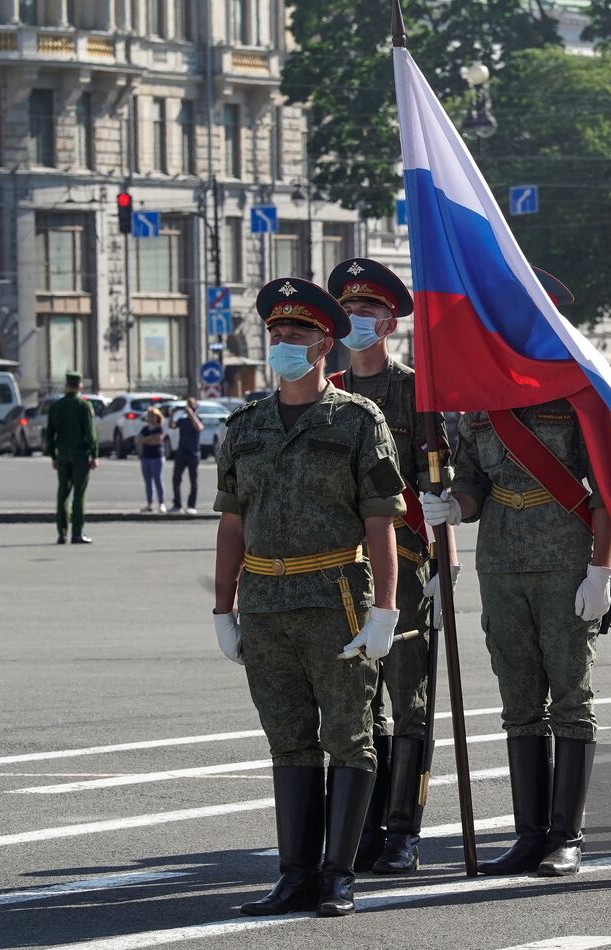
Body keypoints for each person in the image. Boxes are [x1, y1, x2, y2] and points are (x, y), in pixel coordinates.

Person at [213, 276, 404, 919]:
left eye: (298, 332)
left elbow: (381, 521)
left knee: (349, 736)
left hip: (336, 598)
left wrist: (385, 611)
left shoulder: (358, 420)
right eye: (277, 332)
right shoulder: (245, 424)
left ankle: (338, 876)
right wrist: (222, 608)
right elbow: (231, 523)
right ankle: (294, 874)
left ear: (326, 344)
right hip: (265, 602)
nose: (285, 342)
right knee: (288, 739)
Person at [422, 268, 611, 879]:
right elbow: (474, 481)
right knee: (519, 699)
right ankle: (529, 834)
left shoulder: (580, 389)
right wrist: (454, 508)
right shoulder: (481, 398)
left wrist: (601, 569)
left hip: (565, 558)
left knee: (571, 697)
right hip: (502, 561)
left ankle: (567, 836)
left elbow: (607, 491)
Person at [326, 257, 456, 875]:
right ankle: (365, 828)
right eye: (349, 309)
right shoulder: (327, 390)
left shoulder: (416, 390)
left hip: (403, 563)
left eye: (369, 309)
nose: (357, 318)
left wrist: (445, 563)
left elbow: (437, 481)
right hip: (340, 569)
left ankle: (404, 829)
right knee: (356, 701)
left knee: (409, 699)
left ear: (390, 323)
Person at [44, 370, 98, 545]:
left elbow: (49, 434)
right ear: (80, 386)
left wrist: (53, 455)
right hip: (80, 455)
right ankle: (77, 533)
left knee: (63, 494)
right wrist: (94, 454)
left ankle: (62, 533)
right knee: (79, 495)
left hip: (63, 455)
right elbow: (90, 433)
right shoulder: (84, 406)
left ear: (66, 385)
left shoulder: (56, 406)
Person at [169, 398, 204, 514]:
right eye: (187, 405)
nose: (189, 408)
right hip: (181, 452)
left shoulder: (198, 418)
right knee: (176, 478)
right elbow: (172, 426)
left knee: (193, 480)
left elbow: (199, 427)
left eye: (191, 405)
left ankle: (191, 505)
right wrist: (172, 415)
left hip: (193, 453)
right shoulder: (182, 420)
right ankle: (177, 504)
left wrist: (191, 414)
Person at [138, 408, 166, 513]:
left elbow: (158, 441)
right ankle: (149, 504)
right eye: (149, 416)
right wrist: (150, 438)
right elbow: (139, 440)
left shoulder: (159, 428)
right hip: (145, 457)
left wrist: (146, 440)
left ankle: (161, 503)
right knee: (148, 481)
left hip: (157, 457)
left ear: (157, 417)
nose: (151, 418)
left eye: (153, 416)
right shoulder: (144, 429)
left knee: (158, 480)